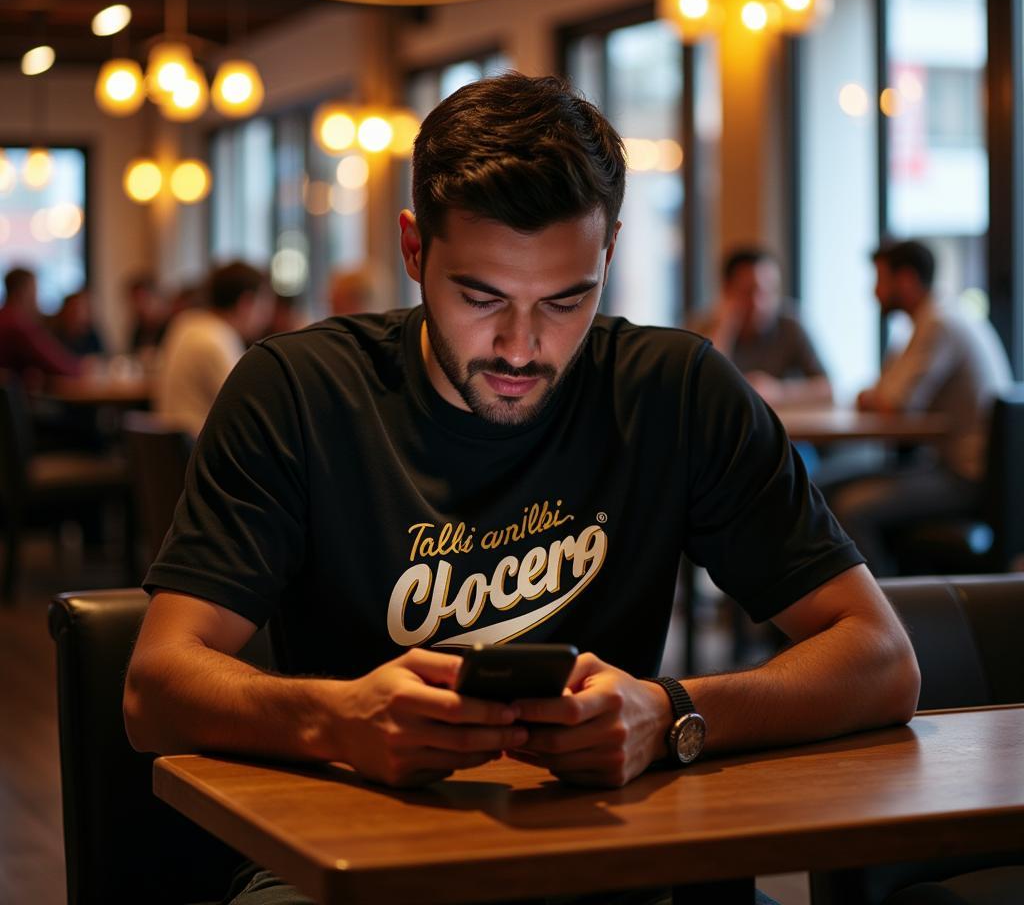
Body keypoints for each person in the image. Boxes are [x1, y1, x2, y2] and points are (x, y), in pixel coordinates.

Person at [124, 75, 919, 905]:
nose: (521, 348)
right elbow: (155, 686)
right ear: (414, 250)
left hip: (616, 858)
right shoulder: (298, 391)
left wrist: (671, 712)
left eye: (567, 300)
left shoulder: (675, 392)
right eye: (481, 297)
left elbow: (882, 659)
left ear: (608, 252)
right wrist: (339, 720)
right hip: (350, 861)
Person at [826, 240, 1013, 576]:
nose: (874, 292)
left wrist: (876, 396)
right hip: (947, 466)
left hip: (963, 477)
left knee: (849, 507)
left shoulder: (939, 324)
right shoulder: (936, 319)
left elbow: (892, 403)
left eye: (880, 280)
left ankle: (889, 618)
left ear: (907, 280)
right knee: (823, 486)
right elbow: (890, 391)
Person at [689, 248, 832, 408]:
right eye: (748, 292)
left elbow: (828, 389)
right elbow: (698, 389)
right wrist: (725, 327)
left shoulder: (790, 326)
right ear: (726, 291)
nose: (759, 303)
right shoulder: (701, 327)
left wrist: (779, 392)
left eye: (769, 291)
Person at [153, 261, 274, 438]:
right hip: (199, 455)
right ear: (246, 303)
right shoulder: (217, 339)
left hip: (172, 451)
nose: (265, 319)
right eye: (263, 307)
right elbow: (247, 412)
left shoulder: (185, 323)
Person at [0, 267, 82, 385]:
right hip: (13, 400)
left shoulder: (4, 317)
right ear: (24, 292)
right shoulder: (18, 325)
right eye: (34, 290)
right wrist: (82, 367)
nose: (36, 298)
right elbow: (55, 364)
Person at [50, 289, 106, 357]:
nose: (79, 313)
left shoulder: (91, 335)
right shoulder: (53, 334)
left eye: (82, 310)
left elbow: (101, 357)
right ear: (65, 311)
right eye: (74, 309)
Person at [124, 274, 168, 354]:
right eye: (134, 301)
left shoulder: (169, 326)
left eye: (142, 300)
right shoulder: (138, 328)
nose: (138, 307)